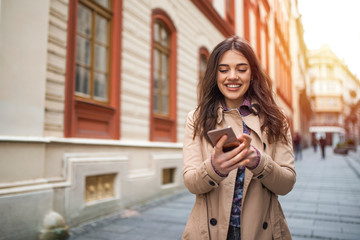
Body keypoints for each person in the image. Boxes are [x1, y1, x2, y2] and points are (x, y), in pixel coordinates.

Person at [182, 36, 296, 240]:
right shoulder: (197, 118)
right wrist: (214, 168)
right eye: (223, 70)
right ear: (215, 75)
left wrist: (259, 162)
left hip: (263, 230)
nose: (232, 76)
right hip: (209, 232)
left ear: (252, 74)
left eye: (241, 69)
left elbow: (286, 183)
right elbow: (191, 182)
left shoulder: (275, 119)